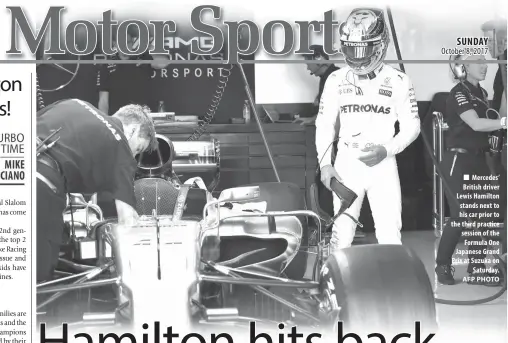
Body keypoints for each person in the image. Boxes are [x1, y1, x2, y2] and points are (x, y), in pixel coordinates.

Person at [315, 8, 420, 251]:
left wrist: (387, 149)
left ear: (380, 45)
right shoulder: (335, 80)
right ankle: (333, 287)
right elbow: (324, 123)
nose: (356, 55)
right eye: (350, 48)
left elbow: (412, 125)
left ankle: (392, 288)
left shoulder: (399, 80)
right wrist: (325, 165)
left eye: (363, 48)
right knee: (341, 236)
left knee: (390, 236)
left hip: (383, 164)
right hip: (346, 165)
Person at [36, 99, 158, 282]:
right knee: (39, 268)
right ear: (132, 129)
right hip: (40, 181)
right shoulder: (120, 144)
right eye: (138, 148)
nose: (134, 156)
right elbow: (128, 221)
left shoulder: (74, 102)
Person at [434, 54, 506, 286]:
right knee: (461, 217)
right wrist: (504, 123)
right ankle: (442, 265)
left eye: (485, 62)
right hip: (458, 160)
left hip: (480, 161)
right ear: (464, 67)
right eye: (478, 62)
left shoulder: (482, 94)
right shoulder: (459, 93)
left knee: (482, 217)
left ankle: (476, 269)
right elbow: (475, 123)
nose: (484, 66)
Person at [97, 26, 168, 115]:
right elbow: (103, 100)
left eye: (129, 42)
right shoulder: (107, 65)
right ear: (115, 44)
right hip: (119, 118)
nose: (126, 45)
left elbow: (164, 63)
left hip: (143, 117)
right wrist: (105, 121)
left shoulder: (142, 58)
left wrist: (149, 47)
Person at [294, 45, 340, 126]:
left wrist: (312, 119)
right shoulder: (327, 77)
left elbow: (335, 110)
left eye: (308, 64)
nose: (308, 68)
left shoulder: (336, 77)